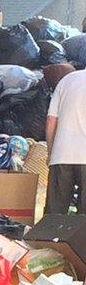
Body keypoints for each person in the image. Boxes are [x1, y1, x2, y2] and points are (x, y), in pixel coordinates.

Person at [45, 65, 86, 215]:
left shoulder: (66, 80)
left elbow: (50, 120)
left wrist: (50, 152)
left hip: (61, 154)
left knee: (54, 214)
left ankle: (48, 238)